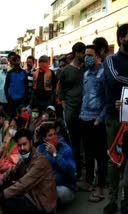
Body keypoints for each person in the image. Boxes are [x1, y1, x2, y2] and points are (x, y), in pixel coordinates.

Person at [0, 129, 57, 214]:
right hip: (31, 194)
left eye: (24, 144)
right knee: (5, 187)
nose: (22, 148)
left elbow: (23, 184)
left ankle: (0, 206)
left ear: (31, 142)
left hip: (42, 205)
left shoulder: (40, 161)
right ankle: (0, 204)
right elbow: (10, 173)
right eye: (19, 145)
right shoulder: (24, 158)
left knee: (6, 198)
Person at [77, 44, 108, 203]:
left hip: (97, 120)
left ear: (98, 56)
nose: (86, 57)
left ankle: (101, 188)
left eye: (90, 55)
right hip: (84, 118)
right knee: (88, 153)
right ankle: (89, 181)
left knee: (100, 155)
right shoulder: (86, 73)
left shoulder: (104, 73)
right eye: (85, 55)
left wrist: (99, 119)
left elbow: (108, 100)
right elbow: (85, 96)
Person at [103, 24, 128, 214]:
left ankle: (125, 198)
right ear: (121, 38)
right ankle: (113, 199)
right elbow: (116, 79)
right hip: (114, 117)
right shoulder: (111, 60)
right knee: (114, 158)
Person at [59, 42, 86, 178]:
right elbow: (61, 90)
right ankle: (78, 169)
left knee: (85, 141)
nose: (84, 55)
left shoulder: (86, 68)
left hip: (86, 111)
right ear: (76, 53)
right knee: (74, 142)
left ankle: (87, 170)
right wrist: (65, 106)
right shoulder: (66, 71)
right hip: (71, 111)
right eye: (82, 53)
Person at [37, 122, 76, 204]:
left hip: (65, 187)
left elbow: (71, 171)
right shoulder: (40, 149)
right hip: (47, 185)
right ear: (44, 139)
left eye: (55, 134)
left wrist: (55, 155)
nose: (54, 137)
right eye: (50, 135)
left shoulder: (65, 149)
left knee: (58, 192)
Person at [0, 118, 19, 184]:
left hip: (14, 165)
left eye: (14, 127)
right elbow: (4, 152)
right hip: (6, 161)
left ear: (18, 127)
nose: (12, 129)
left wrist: (5, 167)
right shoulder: (9, 138)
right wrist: (1, 163)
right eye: (10, 126)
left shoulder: (20, 141)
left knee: (7, 168)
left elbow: (17, 162)